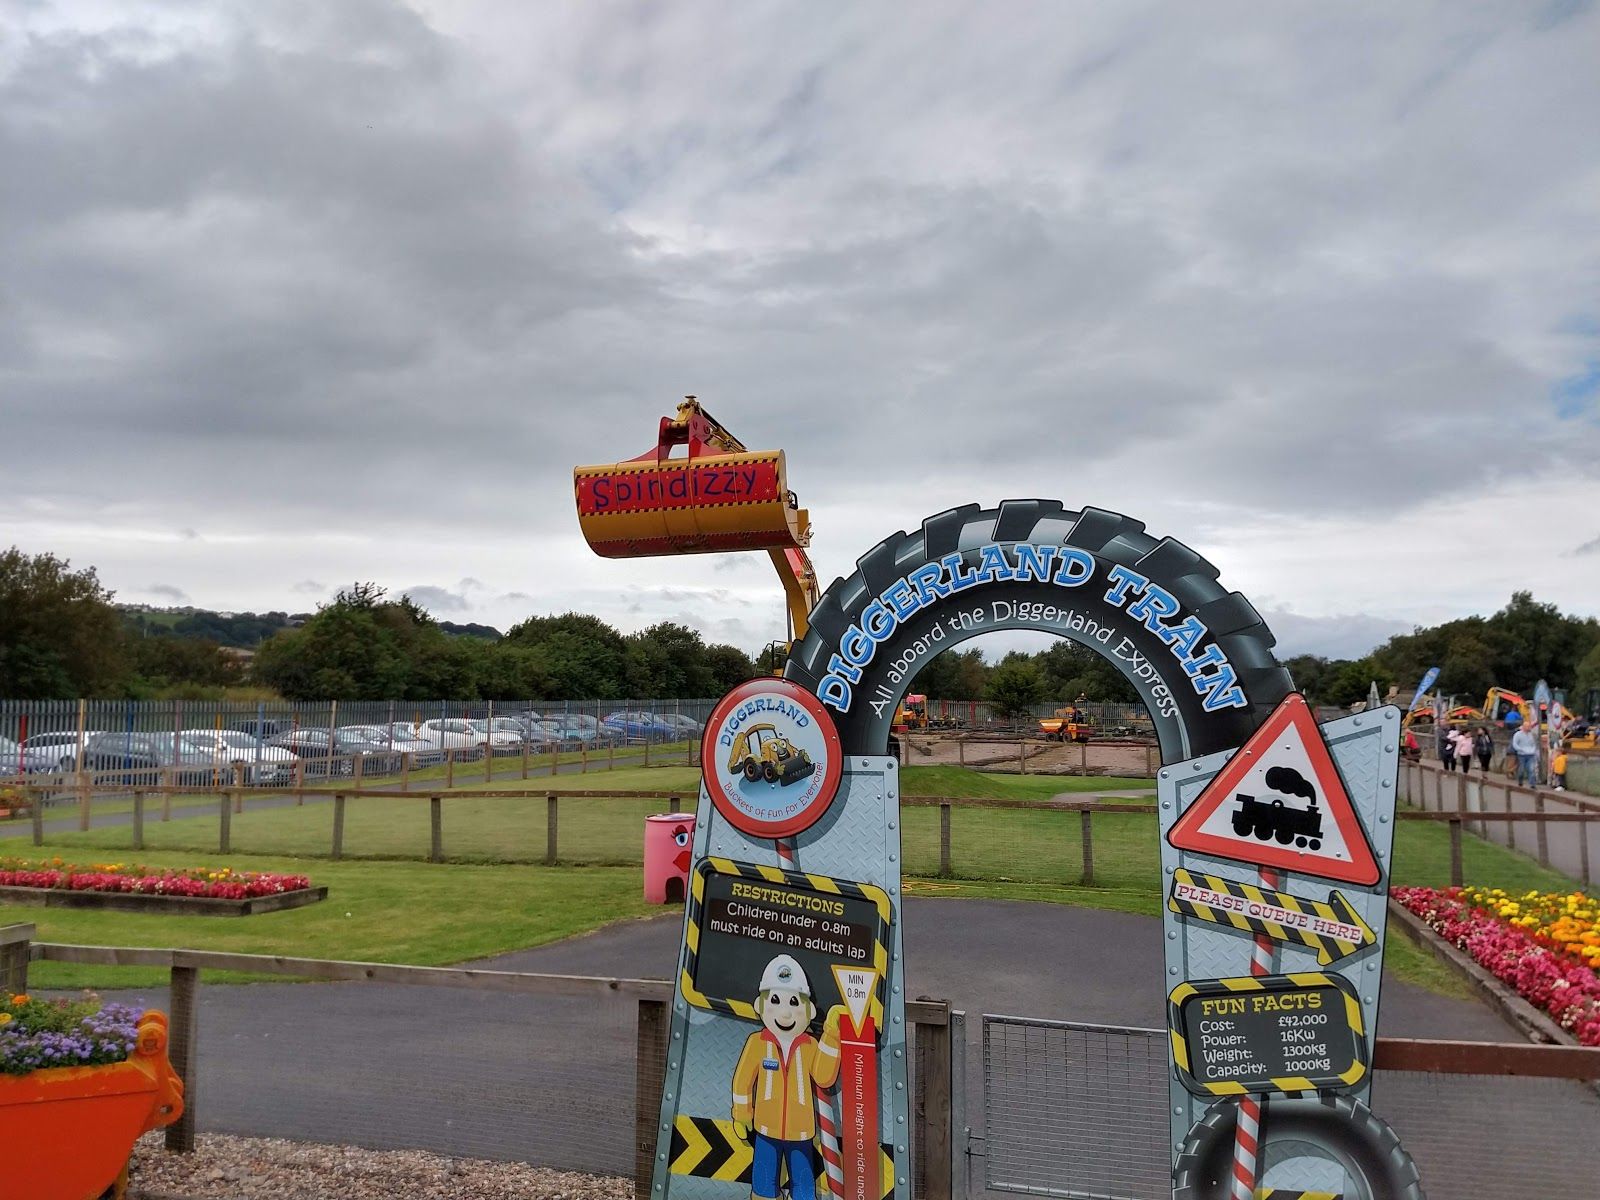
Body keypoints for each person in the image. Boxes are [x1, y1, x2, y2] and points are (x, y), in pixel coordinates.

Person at [731, 955, 846, 1200]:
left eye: (794, 1002)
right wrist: (742, 1114)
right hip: (764, 1131)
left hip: (801, 1134)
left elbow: (824, 1077)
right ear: (761, 1005)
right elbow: (743, 1081)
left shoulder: (810, 1045)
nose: (785, 1013)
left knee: (804, 1186)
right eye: (775, 1000)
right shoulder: (757, 1043)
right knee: (763, 1185)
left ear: (808, 1009)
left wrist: (833, 1034)